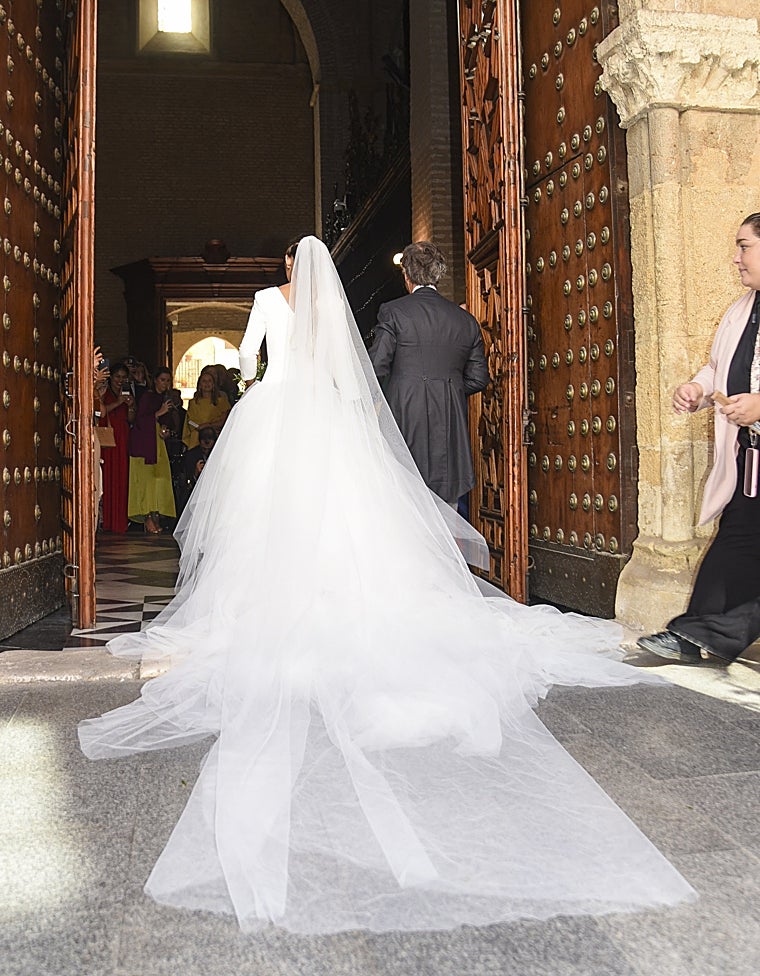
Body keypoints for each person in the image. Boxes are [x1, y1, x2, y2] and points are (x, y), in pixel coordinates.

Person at [79, 237, 694, 934]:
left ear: (285, 269)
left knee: (269, 517)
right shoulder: (352, 309)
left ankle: (273, 600)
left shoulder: (269, 304)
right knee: (349, 518)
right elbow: (369, 378)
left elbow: (249, 362)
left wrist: (256, 381)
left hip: (277, 414)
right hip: (332, 417)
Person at [638, 213, 760, 664]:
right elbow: (720, 365)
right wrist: (699, 388)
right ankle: (692, 636)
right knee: (736, 542)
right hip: (750, 460)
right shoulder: (740, 310)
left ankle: (710, 634)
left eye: (744, 246)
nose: (736, 258)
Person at [369, 241, 489, 506]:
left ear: (406, 275)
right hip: (449, 426)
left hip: (403, 421)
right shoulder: (465, 321)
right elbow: (479, 378)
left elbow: (376, 365)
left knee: (403, 505)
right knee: (446, 509)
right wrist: (447, 387)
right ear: (438, 274)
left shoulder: (394, 312)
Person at [127, 367, 177, 535]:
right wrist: (159, 413)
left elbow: (168, 421)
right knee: (146, 480)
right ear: (155, 380)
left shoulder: (165, 398)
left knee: (160, 479)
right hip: (144, 444)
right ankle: (147, 516)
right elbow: (140, 420)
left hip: (158, 443)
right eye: (162, 380)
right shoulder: (147, 396)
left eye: (168, 380)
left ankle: (157, 513)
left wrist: (165, 429)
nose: (165, 384)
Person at [98, 361, 135, 534]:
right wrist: (119, 401)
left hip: (123, 436)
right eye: (117, 377)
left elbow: (130, 418)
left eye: (123, 377)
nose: (120, 380)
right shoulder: (104, 392)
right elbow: (101, 411)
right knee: (108, 478)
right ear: (111, 377)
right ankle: (107, 520)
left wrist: (129, 406)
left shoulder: (127, 392)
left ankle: (120, 520)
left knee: (122, 477)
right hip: (109, 437)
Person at [182, 368, 231, 450]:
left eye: (209, 381)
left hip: (216, 437)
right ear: (200, 384)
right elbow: (190, 421)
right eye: (204, 381)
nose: (207, 384)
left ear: (213, 384)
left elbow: (225, 420)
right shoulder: (193, 403)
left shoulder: (222, 401)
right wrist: (200, 427)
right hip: (197, 438)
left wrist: (208, 425)